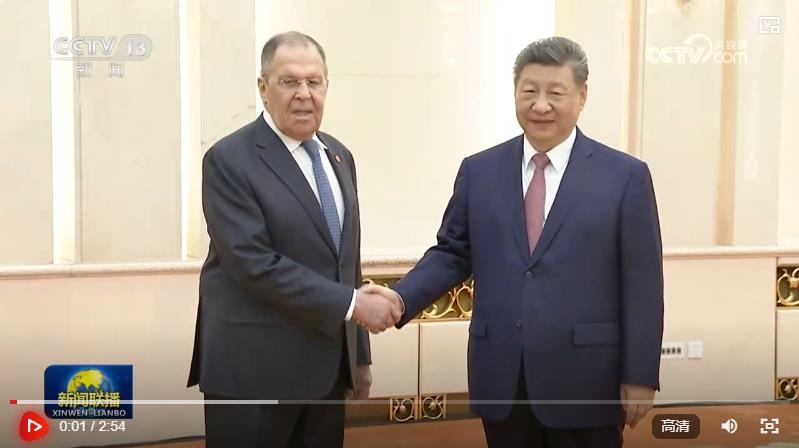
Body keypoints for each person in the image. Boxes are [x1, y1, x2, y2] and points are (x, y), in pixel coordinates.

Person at [366, 36, 664, 447]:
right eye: (529, 91)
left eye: (555, 93)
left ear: (581, 96)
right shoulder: (480, 171)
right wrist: (400, 298)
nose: (540, 105)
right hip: (502, 376)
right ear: (515, 94)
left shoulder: (624, 176)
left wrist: (640, 374)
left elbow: (643, 284)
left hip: (587, 379)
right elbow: (452, 253)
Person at [187, 31, 402, 448]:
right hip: (254, 375)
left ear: (326, 87)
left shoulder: (338, 155)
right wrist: (354, 305)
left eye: (314, 81)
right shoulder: (229, 160)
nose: (304, 93)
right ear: (263, 88)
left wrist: (358, 356)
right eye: (289, 82)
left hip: (325, 375)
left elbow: (346, 262)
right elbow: (253, 264)